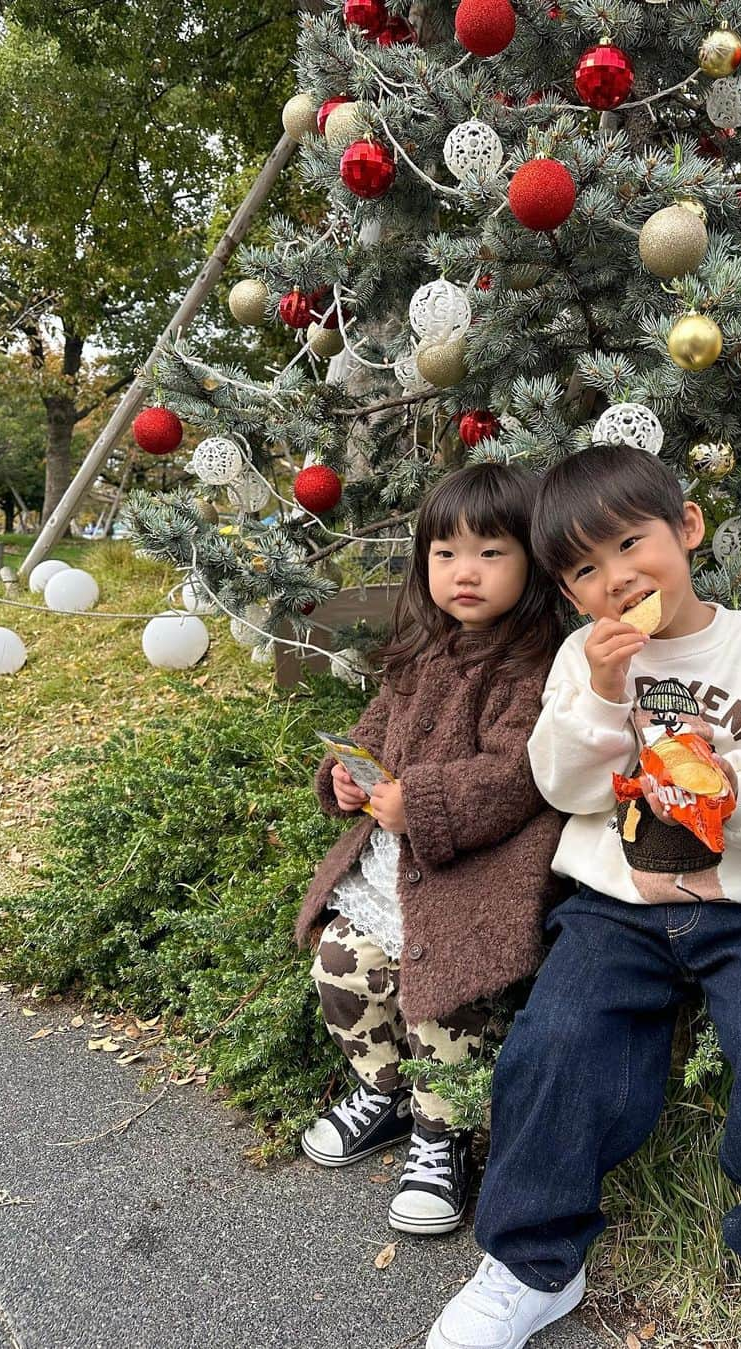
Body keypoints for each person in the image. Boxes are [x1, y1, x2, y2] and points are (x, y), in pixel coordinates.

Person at [428, 443, 741, 1348]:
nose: (617, 579)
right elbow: (564, 787)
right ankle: (531, 1259)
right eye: (584, 570)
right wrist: (597, 697)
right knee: (553, 1046)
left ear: (688, 529)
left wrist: (730, 787)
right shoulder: (581, 659)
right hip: (613, 907)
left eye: (632, 544)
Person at [295, 461, 566, 1237]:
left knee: (442, 998)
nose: (464, 572)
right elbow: (379, 724)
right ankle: (384, 1088)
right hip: (395, 866)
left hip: (472, 874)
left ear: (533, 562)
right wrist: (345, 775)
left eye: (490, 552)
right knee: (341, 965)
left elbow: (523, 772)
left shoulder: (537, 665)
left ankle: (441, 1136)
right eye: (445, 554)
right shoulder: (422, 650)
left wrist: (429, 800)